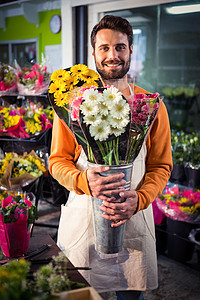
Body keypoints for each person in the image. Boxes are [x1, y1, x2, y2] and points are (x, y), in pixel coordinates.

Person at [49, 15, 172, 300]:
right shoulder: (73, 104)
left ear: (130, 51)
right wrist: (83, 180)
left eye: (120, 47)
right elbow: (57, 161)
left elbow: (161, 166)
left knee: (130, 295)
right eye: (104, 48)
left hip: (133, 224)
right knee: (79, 294)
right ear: (93, 53)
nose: (112, 55)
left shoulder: (150, 106)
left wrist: (139, 200)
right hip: (83, 223)